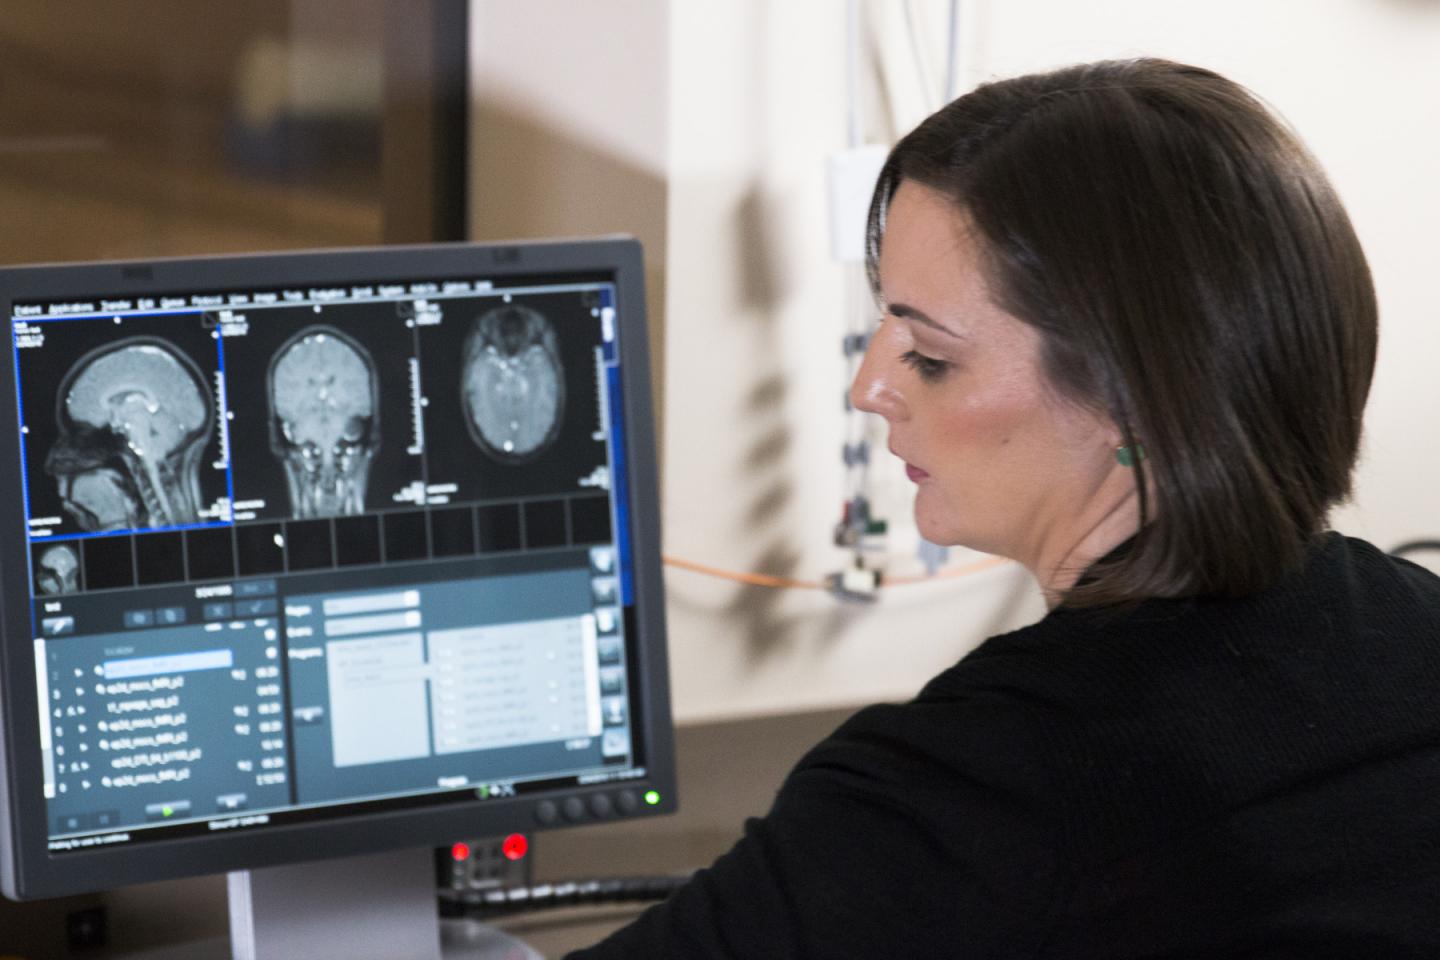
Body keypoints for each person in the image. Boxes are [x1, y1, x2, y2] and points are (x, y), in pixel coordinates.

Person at [567, 58, 1440, 958]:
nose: (871, 387)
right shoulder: (1417, 632)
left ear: (1137, 398)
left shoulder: (976, 790)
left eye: (931, 356)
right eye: (882, 326)